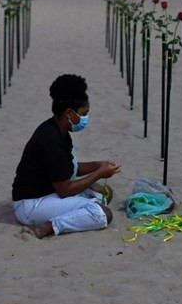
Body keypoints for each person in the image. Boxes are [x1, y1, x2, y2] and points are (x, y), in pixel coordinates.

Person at [12, 73, 120, 238]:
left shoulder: (59, 130)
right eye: (83, 114)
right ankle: (47, 227)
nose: (85, 118)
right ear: (69, 113)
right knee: (104, 214)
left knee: (105, 192)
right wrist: (99, 174)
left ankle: (70, 214)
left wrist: (97, 165)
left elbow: (68, 167)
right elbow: (64, 190)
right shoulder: (51, 139)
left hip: (48, 194)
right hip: (30, 205)